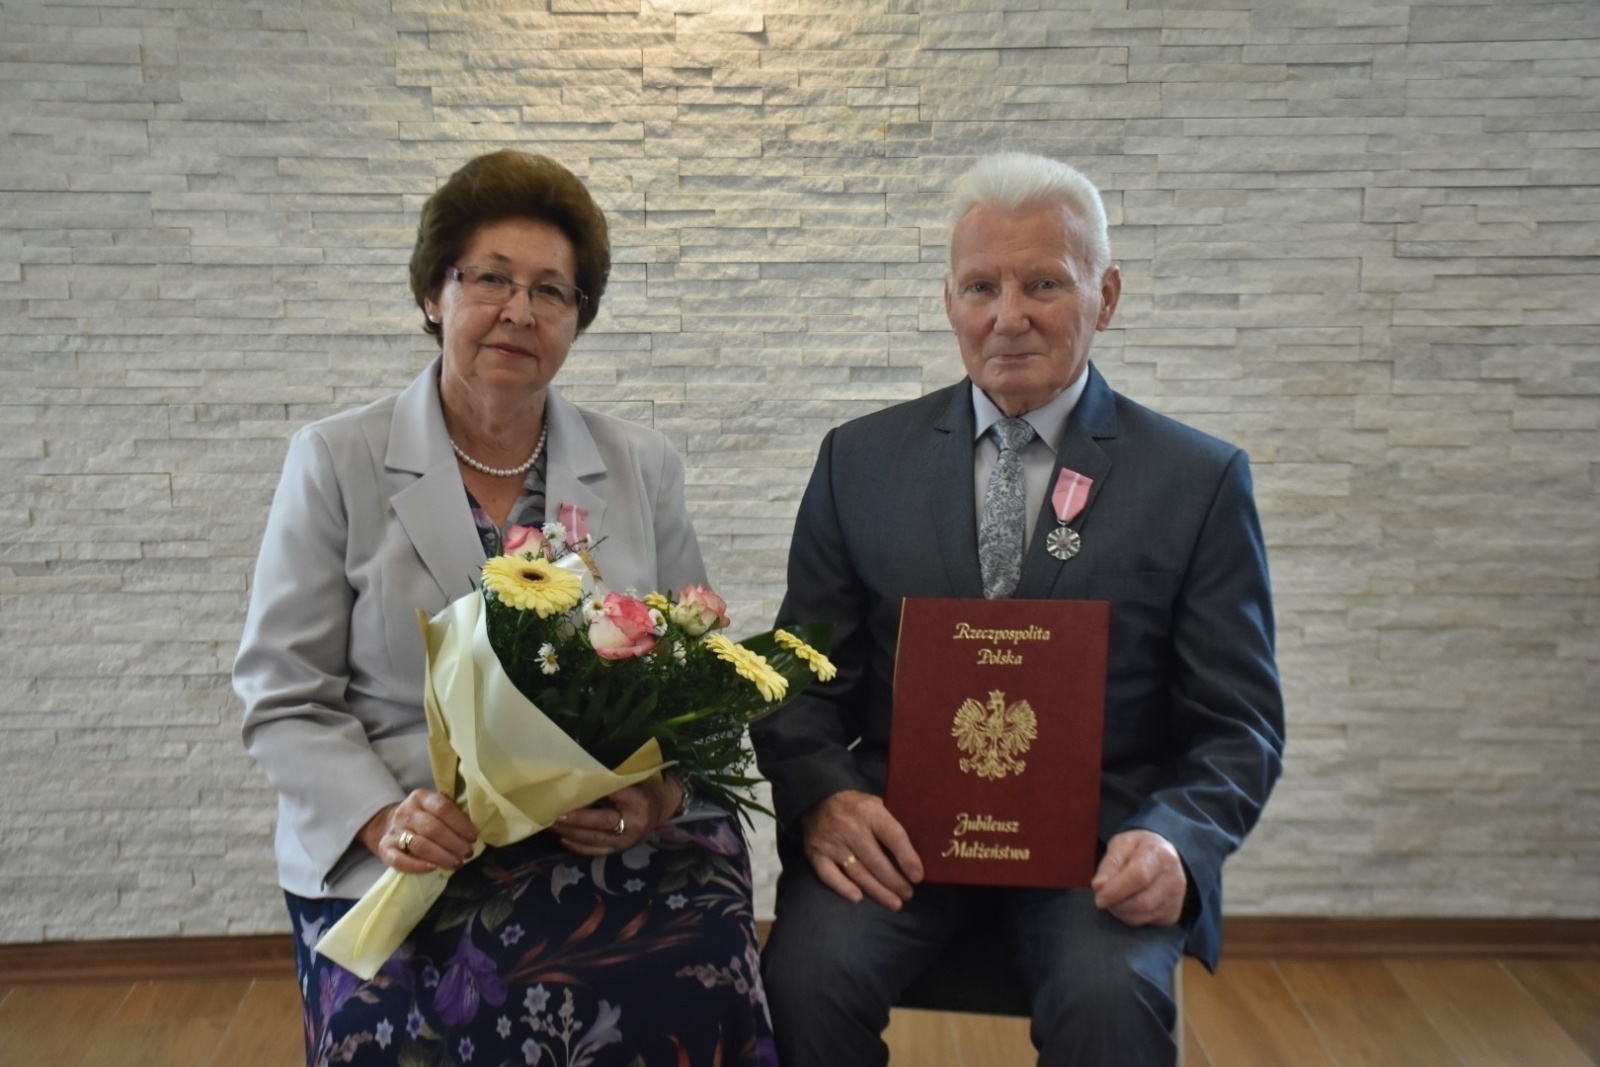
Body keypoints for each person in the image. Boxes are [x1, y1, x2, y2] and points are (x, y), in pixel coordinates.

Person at [235, 149, 777, 1067]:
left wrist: (654, 798)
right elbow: (282, 692)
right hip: (418, 839)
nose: (519, 310)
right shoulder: (337, 459)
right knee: (414, 1027)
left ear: (577, 320)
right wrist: (381, 816)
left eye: (552, 291)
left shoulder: (642, 467)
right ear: (433, 294)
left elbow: (705, 693)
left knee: (695, 975)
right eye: (490, 278)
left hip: (601, 835)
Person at [749, 152, 1286, 1067]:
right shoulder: (858, 463)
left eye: (1044, 283)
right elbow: (795, 683)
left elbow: (1239, 725)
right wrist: (825, 799)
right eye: (980, 286)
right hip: (898, 834)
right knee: (799, 984)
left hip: (1099, 848)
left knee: (1111, 1005)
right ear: (949, 300)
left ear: (1105, 295)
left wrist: (1175, 839)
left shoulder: (1196, 481)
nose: (1009, 316)